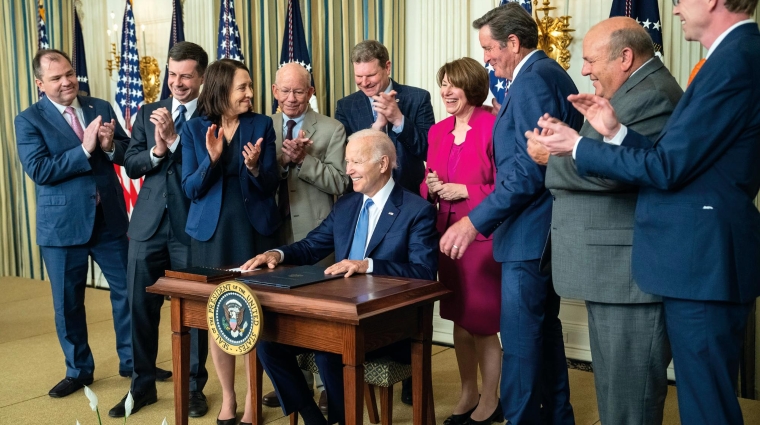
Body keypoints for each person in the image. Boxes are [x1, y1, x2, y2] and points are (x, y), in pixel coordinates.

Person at [531, 1, 760, 424]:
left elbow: (665, 169)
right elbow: (672, 157)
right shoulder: (728, 57)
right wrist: (615, 132)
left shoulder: (737, 58)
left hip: (704, 260)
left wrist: (577, 147)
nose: (673, 7)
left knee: (708, 410)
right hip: (693, 261)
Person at [527, 18, 682, 425]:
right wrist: (567, 141)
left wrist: (552, 158)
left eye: (591, 60)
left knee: (629, 402)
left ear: (626, 57)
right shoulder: (631, 91)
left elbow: (621, 172)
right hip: (611, 274)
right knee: (615, 395)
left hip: (628, 276)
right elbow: (600, 153)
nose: (584, 70)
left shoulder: (651, 95)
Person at [440, 4, 583, 424]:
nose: (486, 58)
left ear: (513, 43)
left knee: (521, 346)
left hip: (529, 234)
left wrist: (473, 221)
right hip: (540, 232)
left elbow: (525, 174)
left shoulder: (533, 81)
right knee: (544, 338)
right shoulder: (544, 75)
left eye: (489, 48)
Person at [241, 129, 438, 425]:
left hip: (390, 324)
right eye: (347, 162)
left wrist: (368, 265)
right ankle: (314, 419)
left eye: (356, 162)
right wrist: (277, 255)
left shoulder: (416, 210)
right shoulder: (346, 206)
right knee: (268, 341)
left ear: (383, 164)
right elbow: (310, 246)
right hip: (340, 316)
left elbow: (423, 272)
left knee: (329, 351)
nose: (348, 170)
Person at [15, 49, 132, 398]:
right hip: (62, 228)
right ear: (40, 84)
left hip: (109, 221)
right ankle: (79, 370)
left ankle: (132, 363)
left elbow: (126, 151)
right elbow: (40, 170)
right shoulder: (28, 120)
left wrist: (111, 147)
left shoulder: (100, 106)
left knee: (128, 292)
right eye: (56, 78)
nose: (67, 81)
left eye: (69, 73)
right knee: (68, 304)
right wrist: (83, 148)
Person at [107, 42, 210, 418]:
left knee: (195, 311)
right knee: (139, 306)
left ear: (201, 76)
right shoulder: (150, 111)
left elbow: (209, 168)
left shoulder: (213, 114)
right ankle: (142, 385)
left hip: (193, 228)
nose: (177, 83)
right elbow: (131, 163)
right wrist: (157, 151)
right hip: (148, 227)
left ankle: (194, 387)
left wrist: (176, 141)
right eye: (172, 74)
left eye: (185, 75)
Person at [181, 58, 281, 425]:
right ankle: (228, 398)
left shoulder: (262, 124)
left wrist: (254, 168)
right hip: (211, 237)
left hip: (254, 233)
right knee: (218, 319)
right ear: (222, 89)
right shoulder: (195, 129)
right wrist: (211, 160)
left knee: (255, 318)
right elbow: (190, 188)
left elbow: (271, 183)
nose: (250, 93)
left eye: (250, 86)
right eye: (243, 87)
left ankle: (255, 400)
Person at [261, 62, 350, 413]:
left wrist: (303, 161)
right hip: (270, 230)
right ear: (274, 91)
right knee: (279, 312)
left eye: (299, 91)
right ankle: (296, 384)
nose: (292, 98)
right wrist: (282, 161)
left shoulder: (331, 128)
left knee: (318, 313)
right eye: (285, 91)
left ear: (311, 92)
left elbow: (341, 182)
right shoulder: (262, 126)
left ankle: (327, 385)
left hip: (315, 234)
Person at [421, 57, 501, 425]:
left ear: (471, 86)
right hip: (446, 239)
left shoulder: (494, 126)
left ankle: (491, 399)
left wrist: (463, 190)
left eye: (453, 84)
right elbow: (426, 183)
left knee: (482, 323)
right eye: (443, 84)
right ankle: (468, 392)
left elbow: (506, 188)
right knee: (458, 319)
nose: (446, 91)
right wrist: (433, 188)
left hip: (481, 238)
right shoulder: (437, 131)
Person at [334, 40, 435, 196]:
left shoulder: (418, 98)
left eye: (371, 75)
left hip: (410, 195)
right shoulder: (346, 106)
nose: (364, 82)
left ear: (387, 67)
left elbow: (429, 151)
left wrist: (398, 119)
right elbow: (346, 157)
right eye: (359, 76)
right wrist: (377, 127)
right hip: (363, 197)